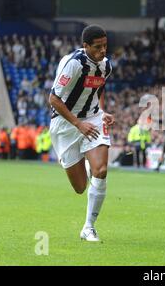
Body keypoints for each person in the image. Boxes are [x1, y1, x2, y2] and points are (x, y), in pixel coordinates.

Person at [48, 25, 115, 242]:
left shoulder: (106, 66)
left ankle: (88, 227)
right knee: (80, 187)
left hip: (92, 119)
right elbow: (54, 100)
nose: (103, 51)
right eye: (97, 47)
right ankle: (85, 163)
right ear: (85, 46)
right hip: (66, 123)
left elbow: (96, 91)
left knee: (102, 170)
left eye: (105, 45)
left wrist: (102, 112)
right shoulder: (74, 64)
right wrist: (78, 124)